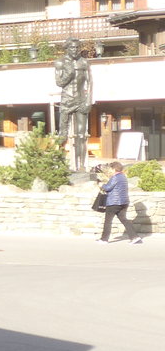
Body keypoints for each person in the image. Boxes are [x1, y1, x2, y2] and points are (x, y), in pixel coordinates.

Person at [55, 37, 92, 171]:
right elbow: (59, 83)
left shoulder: (84, 62)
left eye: (77, 47)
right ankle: (60, 164)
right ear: (67, 48)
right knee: (63, 134)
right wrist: (69, 74)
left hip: (81, 100)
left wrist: (88, 100)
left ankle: (81, 166)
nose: (75, 50)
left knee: (81, 135)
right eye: (72, 48)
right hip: (66, 100)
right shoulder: (60, 62)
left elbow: (90, 82)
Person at [96, 162, 142, 243]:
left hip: (114, 202)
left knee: (108, 221)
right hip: (124, 202)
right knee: (124, 220)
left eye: (111, 169)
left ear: (114, 169)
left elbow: (108, 188)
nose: (110, 170)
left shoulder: (115, 177)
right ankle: (135, 237)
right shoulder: (123, 176)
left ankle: (104, 239)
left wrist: (101, 185)